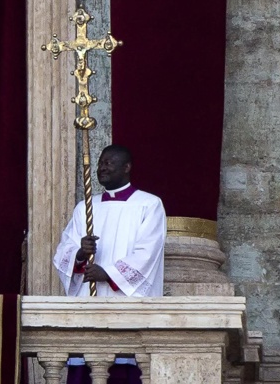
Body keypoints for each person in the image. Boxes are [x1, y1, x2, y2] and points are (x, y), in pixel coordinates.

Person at [54, 144, 166, 382]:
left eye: (109, 162)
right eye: (100, 163)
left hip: (125, 306)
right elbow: (64, 249)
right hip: (88, 305)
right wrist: (80, 255)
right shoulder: (85, 207)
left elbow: (148, 252)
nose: (101, 167)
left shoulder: (149, 204)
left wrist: (109, 274)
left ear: (127, 167)